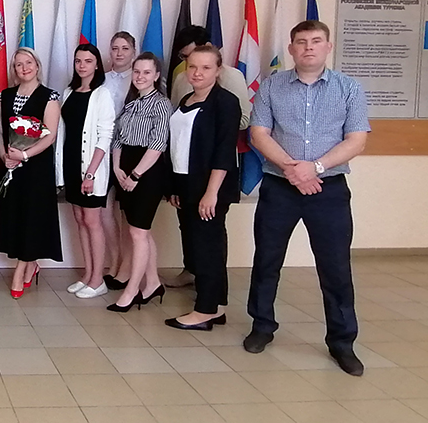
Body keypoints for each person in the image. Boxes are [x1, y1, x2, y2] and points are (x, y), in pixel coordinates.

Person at [246, 20, 370, 376]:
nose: (309, 47)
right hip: (279, 187)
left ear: (328, 47)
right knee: (267, 260)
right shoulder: (272, 86)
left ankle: (342, 342)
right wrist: (293, 170)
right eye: (301, 42)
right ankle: (262, 325)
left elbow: (356, 140)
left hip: (328, 189)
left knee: (335, 267)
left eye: (316, 41)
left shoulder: (349, 88)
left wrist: (314, 168)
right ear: (291, 49)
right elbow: (259, 134)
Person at [164, 26, 252, 290]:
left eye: (204, 67)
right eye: (190, 65)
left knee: (209, 237)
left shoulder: (227, 95)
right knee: (191, 232)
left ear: (217, 69)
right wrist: (174, 185)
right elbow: (178, 135)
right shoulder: (185, 92)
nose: (196, 72)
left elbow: (228, 141)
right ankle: (195, 276)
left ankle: (212, 300)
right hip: (185, 177)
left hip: (211, 177)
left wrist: (212, 191)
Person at [0, 47, 62, 299]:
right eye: (19, 64)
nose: (24, 68)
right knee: (16, 217)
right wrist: (5, 156)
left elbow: (49, 136)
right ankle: (31, 264)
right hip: (10, 167)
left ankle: (20, 271)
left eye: (29, 63)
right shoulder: (5, 96)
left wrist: (23, 155)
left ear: (37, 65)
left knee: (32, 218)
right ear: (14, 69)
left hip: (36, 168)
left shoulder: (49, 96)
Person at [108, 52, 172, 313]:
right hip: (125, 168)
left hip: (148, 172)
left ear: (156, 75)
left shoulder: (161, 104)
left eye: (146, 72)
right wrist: (117, 168)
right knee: (139, 231)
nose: (140, 77)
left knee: (138, 231)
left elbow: (158, 143)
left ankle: (132, 289)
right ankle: (153, 283)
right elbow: (118, 138)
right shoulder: (130, 103)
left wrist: (136, 175)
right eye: (137, 72)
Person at [56, 43, 116, 299]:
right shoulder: (69, 92)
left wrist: (90, 173)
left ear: (97, 64)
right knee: (80, 220)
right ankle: (88, 274)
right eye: (78, 61)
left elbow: (105, 136)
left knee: (93, 222)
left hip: (91, 169)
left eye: (88, 61)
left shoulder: (102, 94)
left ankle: (98, 279)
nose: (82, 65)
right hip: (71, 164)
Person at [101, 31, 136, 290]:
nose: (119, 53)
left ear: (133, 51)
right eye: (115, 48)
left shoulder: (139, 78)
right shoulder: (101, 79)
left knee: (128, 215)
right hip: (103, 151)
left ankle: (127, 267)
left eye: (125, 48)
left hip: (129, 153)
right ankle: (114, 262)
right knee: (104, 212)